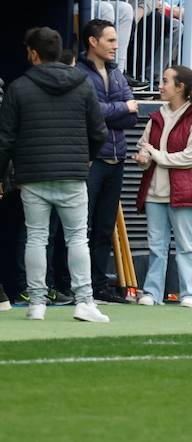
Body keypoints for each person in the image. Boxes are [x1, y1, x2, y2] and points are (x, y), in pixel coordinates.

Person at [0, 27, 110, 323]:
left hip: (33, 174)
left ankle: (37, 303)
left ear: (33, 54)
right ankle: (85, 301)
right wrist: (86, 157)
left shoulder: (18, 87)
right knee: (77, 238)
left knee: (36, 238)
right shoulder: (83, 85)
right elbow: (99, 131)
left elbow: (5, 139)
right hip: (73, 173)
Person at [133, 66, 192, 308]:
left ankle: (190, 294)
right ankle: (152, 292)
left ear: (180, 87)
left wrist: (158, 156)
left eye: (164, 81)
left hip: (183, 194)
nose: (160, 86)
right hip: (154, 193)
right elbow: (145, 147)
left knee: (186, 245)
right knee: (156, 246)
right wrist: (143, 158)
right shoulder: (157, 118)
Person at [76, 19, 140, 304]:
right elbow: (89, 113)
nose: (116, 45)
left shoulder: (116, 73)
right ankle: (75, 284)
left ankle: (99, 284)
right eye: (110, 40)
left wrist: (115, 111)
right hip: (93, 160)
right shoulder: (79, 74)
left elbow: (132, 115)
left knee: (103, 228)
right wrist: (120, 109)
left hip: (118, 158)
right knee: (81, 226)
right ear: (93, 41)